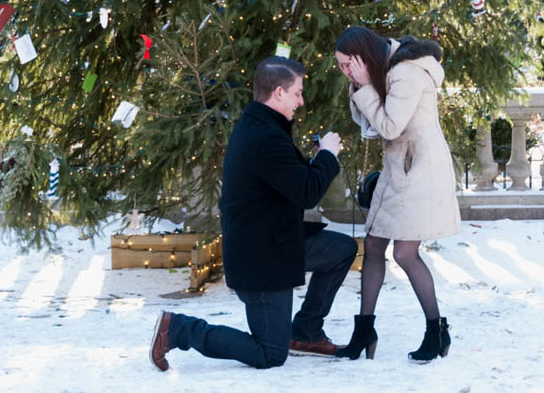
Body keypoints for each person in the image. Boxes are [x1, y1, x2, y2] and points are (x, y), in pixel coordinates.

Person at [149, 56, 357, 370]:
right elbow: (307, 193)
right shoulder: (265, 137)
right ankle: (178, 329)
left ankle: (306, 330)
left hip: (276, 242)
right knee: (270, 354)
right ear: (278, 93)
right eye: (297, 93)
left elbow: (293, 181)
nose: (301, 101)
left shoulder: (264, 127)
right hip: (261, 259)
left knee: (342, 250)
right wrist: (327, 155)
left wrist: (317, 159)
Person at [333, 26, 461, 363]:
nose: (346, 72)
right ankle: (364, 330)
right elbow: (370, 128)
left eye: (348, 65)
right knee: (373, 244)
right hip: (398, 167)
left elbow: (390, 127)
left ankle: (437, 330)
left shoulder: (406, 72)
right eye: (342, 67)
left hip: (419, 169)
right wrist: (360, 86)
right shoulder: (387, 70)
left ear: (362, 56)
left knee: (405, 253)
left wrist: (362, 87)